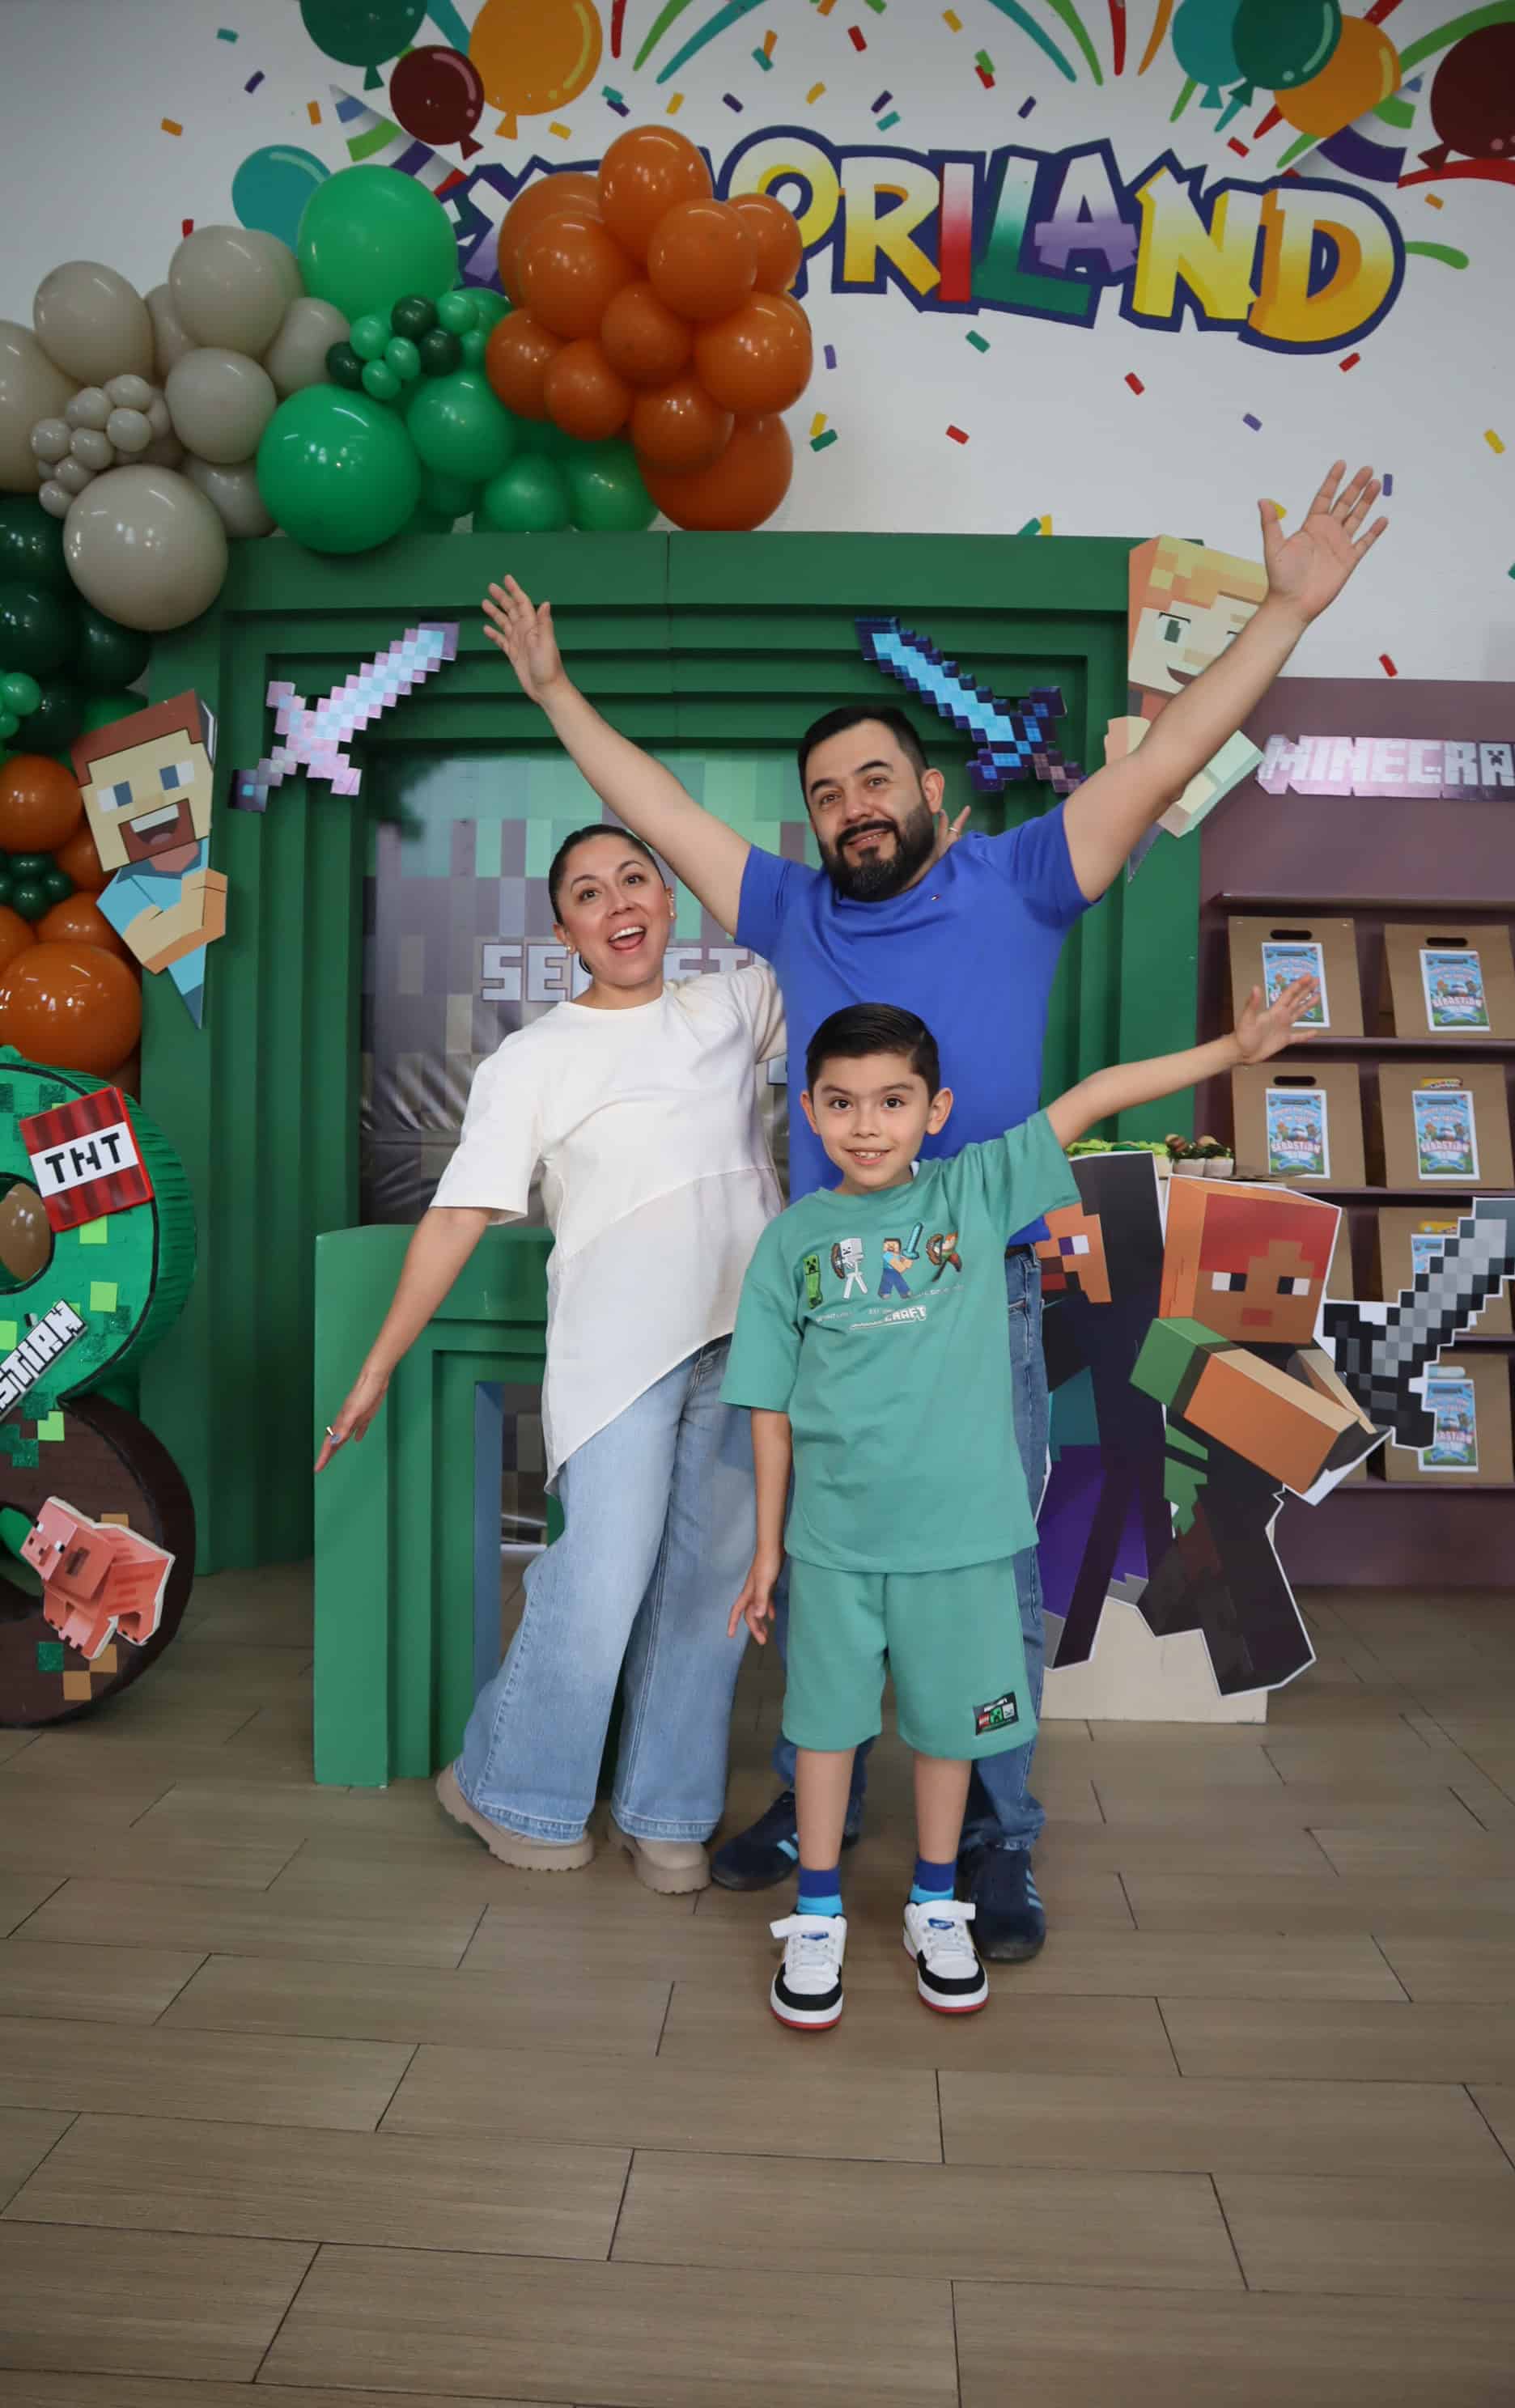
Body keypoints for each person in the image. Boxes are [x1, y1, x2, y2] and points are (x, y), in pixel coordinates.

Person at [482, 458, 1386, 1960]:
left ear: (933, 799)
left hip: (983, 1301)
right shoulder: (787, 909)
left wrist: (1285, 614)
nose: (852, 808)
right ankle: (816, 1810)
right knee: (821, 1565)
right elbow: (654, 807)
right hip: (831, 1305)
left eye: (874, 781)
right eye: (827, 795)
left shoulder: (1024, 877)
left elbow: (1168, 757)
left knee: (987, 1576)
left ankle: (1004, 1844)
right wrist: (557, 692)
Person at [721, 973, 1322, 2028]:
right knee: (824, 1731)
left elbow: (1093, 1097)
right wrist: (768, 1551)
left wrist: (1233, 1052)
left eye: (893, 1101)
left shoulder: (974, 1194)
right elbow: (768, 1411)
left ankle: (935, 1906)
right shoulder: (789, 1244)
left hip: (962, 1543)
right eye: (843, 1103)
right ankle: (815, 1919)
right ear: (809, 1110)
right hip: (833, 1546)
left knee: (952, 1730)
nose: (868, 1125)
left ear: (935, 1111)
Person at [316, 823, 784, 1892]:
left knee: (711, 1585)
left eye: (635, 880)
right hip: (619, 1356)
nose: (618, 904)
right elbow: (455, 1217)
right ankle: (507, 1786)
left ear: (671, 900)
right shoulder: (533, 1059)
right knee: (603, 1578)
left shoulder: (735, 1002)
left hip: (748, 1341)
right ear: (564, 931)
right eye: (587, 892)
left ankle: (667, 1811)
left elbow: (843, 949)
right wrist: (378, 1365)